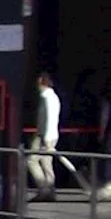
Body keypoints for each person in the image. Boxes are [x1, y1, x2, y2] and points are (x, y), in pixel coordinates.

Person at [27, 73, 61, 202]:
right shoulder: (53, 97)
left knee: (32, 161)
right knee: (47, 163)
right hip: (52, 134)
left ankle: (43, 189)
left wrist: (46, 137)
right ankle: (50, 191)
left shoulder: (46, 97)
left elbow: (49, 118)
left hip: (44, 135)